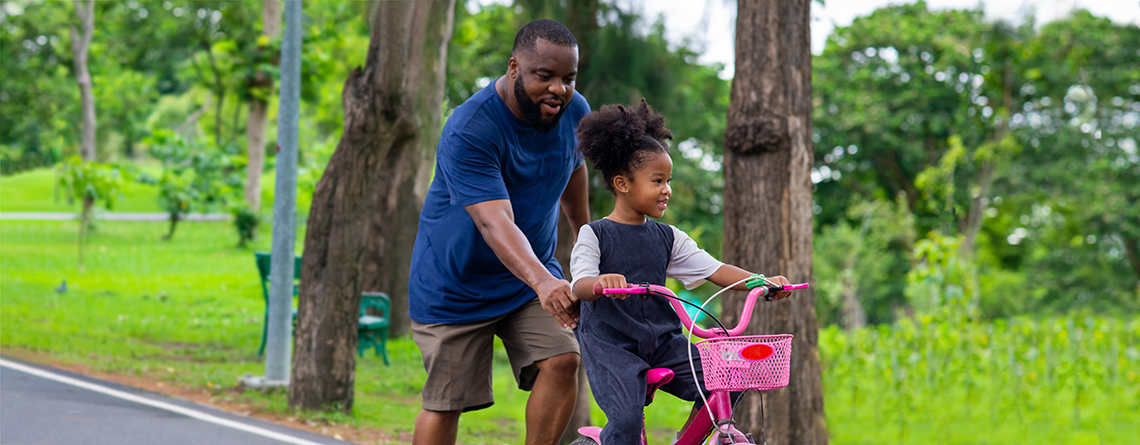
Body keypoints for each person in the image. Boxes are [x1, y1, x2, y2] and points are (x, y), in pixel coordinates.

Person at [408, 19, 591, 445]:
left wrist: (587, 241)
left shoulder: (575, 111)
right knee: (446, 400)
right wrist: (544, 281)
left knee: (563, 358)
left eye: (568, 78)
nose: (558, 90)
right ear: (514, 67)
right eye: (544, 76)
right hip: (456, 284)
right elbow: (495, 221)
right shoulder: (471, 127)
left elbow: (573, 172)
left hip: (527, 281)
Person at [568, 99, 793, 445]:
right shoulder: (595, 234)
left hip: (661, 340)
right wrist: (598, 283)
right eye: (657, 180)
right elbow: (580, 284)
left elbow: (716, 270)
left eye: (668, 180)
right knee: (626, 421)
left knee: (727, 377)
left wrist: (761, 281)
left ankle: (686, 439)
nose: (666, 189)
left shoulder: (668, 237)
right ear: (623, 184)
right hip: (612, 343)